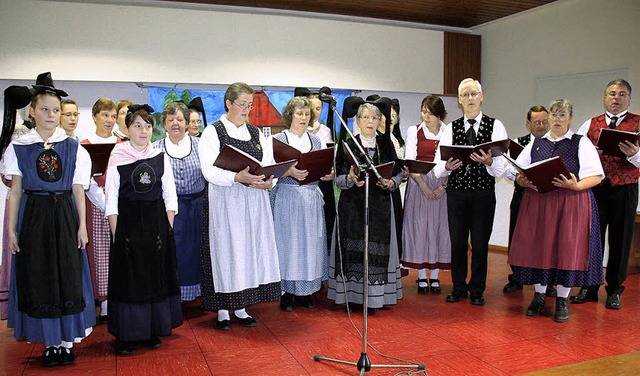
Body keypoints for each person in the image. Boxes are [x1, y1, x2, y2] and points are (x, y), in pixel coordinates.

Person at [2, 73, 95, 366]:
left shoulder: (74, 148)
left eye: (56, 110)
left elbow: (78, 189)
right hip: (34, 218)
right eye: (45, 109)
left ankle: (67, 341)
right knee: (40, 277)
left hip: (65, 217)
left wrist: (82, 226)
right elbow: (15, 192)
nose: (51, 115)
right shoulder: (19, 148)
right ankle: (50, 343)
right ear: (32, 111)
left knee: (67, 277)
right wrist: (11, 230)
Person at [509, 99, 604, 322]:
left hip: (570, 204)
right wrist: (522, 181)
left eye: (563, 115)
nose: (558, 119)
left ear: (570, 119)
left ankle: (562, 300)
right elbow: (519, 170)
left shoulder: (580, 143)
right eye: (554, 115)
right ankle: (539, 297)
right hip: (540, 204)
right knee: (540, 248)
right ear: (549, 118)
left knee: (567, 251)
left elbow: (596, 175)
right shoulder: (536, 143)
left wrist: (576, 185)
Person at [198, 82, 281, 330]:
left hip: (253, 201)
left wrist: (270, 182)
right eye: (241, 104)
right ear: (228, 103)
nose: (246, 109)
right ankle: (223, 309)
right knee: (227, 251)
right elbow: (209, 170)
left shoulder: (257, 134)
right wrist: (235, 177)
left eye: (249, 105)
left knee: (247, 251)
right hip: (226, 201)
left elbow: (268, 164)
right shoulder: (213, 132)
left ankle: (242, 307)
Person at [105, 104, 181, 354]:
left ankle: (151, 330)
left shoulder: (159, 156)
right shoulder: (118, 155)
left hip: (156, 226)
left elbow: (170, 194)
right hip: (127, 227)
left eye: (147, 126)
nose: (143, 131)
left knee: (154, 278)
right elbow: (111, 198)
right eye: (137, 126)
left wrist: (166, 228)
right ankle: (128, 335)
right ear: (127, 129)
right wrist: (117, 235)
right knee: (130, 281)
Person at [433, 78, 509, 306]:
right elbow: (438, 167)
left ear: (482, 97)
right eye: (465, 95)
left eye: (474, 94)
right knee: (457, 243)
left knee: (480, 243)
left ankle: (477, 289)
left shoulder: (496, 126)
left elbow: (501, 169)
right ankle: (458, 288)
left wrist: (488, 162)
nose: (470, 99)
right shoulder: (450, 129)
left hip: (483, 194)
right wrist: (447, 167)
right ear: (458, 100)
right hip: (456, 194)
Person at [328, 98, 403, 311]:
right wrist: (350, 179)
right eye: (366, 117)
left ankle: (376, 298)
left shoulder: (386, 144)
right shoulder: (348, 144)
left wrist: (391, 182)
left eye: (375, 117)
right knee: (353, 247)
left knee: (376, 249)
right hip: (352, 207)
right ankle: (351, 296)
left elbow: (398, 174)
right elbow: (338, 179)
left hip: (380, 206)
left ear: (380, 121)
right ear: (358, 120)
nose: (370, 121)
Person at [573, 79, 640, 309]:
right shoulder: (590, 124)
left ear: (629, 99)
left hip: (625, 188)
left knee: (621, 240)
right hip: (597, 188)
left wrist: (634, 154)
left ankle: (614, 290)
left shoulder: (638, 123)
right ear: (604, 97)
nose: (616, 98)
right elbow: (576, 153)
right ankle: (589, 287)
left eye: (622, 94)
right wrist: (591, 153)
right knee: (592, 238)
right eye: (612, 93)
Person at [269, 97, 333, 311]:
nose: (303, 118)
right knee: (288, 244)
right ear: (290, 116)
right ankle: (286, 292)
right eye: (299, 113)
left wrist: (327, 173)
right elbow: (268, 171)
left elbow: (324, 166)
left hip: (310, 197)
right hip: (288, 196)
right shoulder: (278, 139)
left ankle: (306, 291)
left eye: (307, 114)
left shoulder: (316, 141)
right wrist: (288, 171)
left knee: (309, 245)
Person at [153, 101, 205, 302]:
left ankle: (199, 293)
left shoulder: (200, 145)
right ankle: (174, 295)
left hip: (198, 208)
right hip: (169, 211)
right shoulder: (156, 149)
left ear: (186, 122)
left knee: (197, 252)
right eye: (170, 119)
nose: (175, 123)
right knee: (173, 253)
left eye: (180, 119)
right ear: (164, 124)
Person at [503, 106, 555, 296]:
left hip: (547, 199)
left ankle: (547, 281)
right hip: (522, 196)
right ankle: (516, 277)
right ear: (528, 123)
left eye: (544, 122)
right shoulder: (518, 143)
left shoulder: (554, 143)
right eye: (536, 122)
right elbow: (508, 169)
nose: (541, 126)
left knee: (546, 239)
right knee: (517, 237)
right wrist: (518, 178)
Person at [401, 95, 451, 293]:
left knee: (439, 229)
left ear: (439, 115)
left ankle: (436, 275)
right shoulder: (414, 131)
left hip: (442, 184)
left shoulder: (449, 132)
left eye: (430, 113)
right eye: (423, 112)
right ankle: (421, 275)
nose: (426, 117)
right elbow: (409, 160)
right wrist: (423, 186)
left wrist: (442, 187)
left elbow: (453, 161)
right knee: (420, 229)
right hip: (418, 182)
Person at [81, 98, 120, 324]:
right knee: (100, 254)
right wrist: (105, 202)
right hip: (96, 204)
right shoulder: (85, 144)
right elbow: (86, 180)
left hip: (119, 204)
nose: (109, 120)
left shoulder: (122, 143)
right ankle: (104, 303)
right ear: (95, 116)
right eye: (105, 115)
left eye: (113, 116)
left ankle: (119, 298)